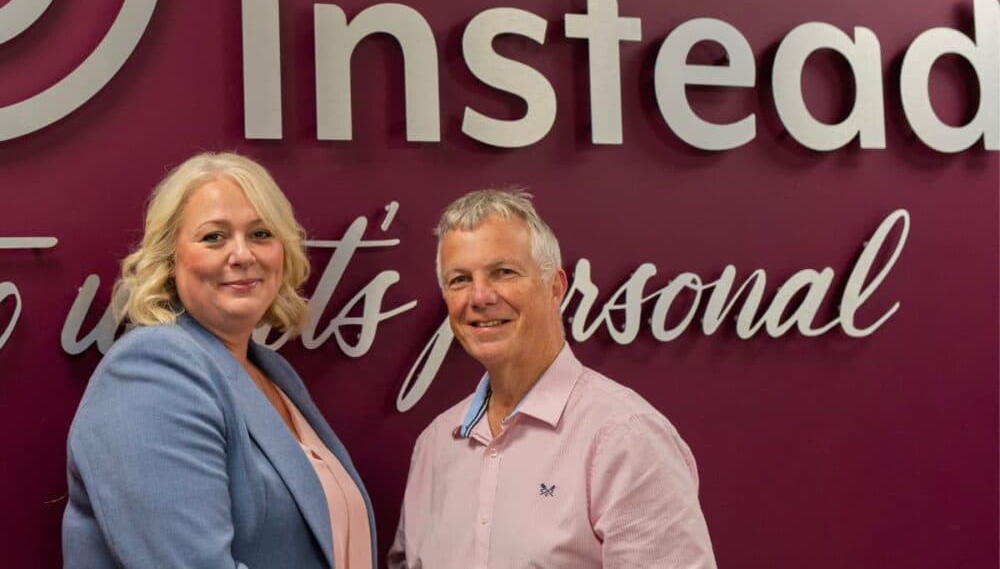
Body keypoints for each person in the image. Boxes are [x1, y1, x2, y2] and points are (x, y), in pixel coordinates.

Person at [63, 152, 375, 569]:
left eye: (261, 233)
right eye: (214, 237)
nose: (242, 254)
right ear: (170, 259)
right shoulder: (151, 371)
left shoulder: (272, 372)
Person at [388, 188, 716, 569]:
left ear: (555, 287)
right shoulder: (435, 446)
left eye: (503, 272)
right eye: (459, 279)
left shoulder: (625, 439)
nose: (479, 297)